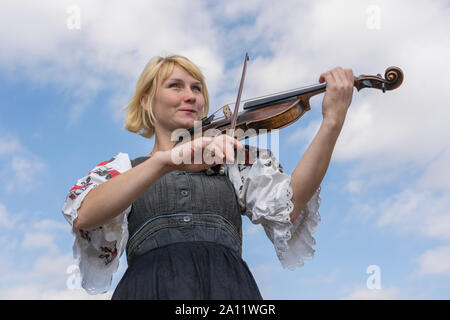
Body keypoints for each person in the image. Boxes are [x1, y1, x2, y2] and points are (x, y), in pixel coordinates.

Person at [62, 54, 354, 299]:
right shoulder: (127, 169)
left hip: (227, 289)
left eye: (197, 88)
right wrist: (166, 162)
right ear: (146, 102)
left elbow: (289, 206)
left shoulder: (231, 160)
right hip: (150, 289)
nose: (190, 96)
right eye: (175, 86)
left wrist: (332, 121)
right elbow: (85, 215)